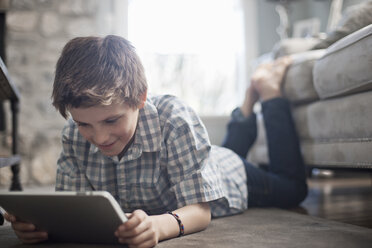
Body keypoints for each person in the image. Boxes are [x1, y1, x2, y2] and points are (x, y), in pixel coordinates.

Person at [4, 35, 307, 247]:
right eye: (85, 124)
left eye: (111, 120)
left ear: (140, 98)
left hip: (229, 174)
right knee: (217, 150)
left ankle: (266, 92)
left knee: (292, 187)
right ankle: (245, 105)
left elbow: (201, 211)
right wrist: (40, 227)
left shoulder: (175, 118)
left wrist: (159, 226)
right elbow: (70, 211)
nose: (99, 137)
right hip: (195, 159)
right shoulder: (73, 134)